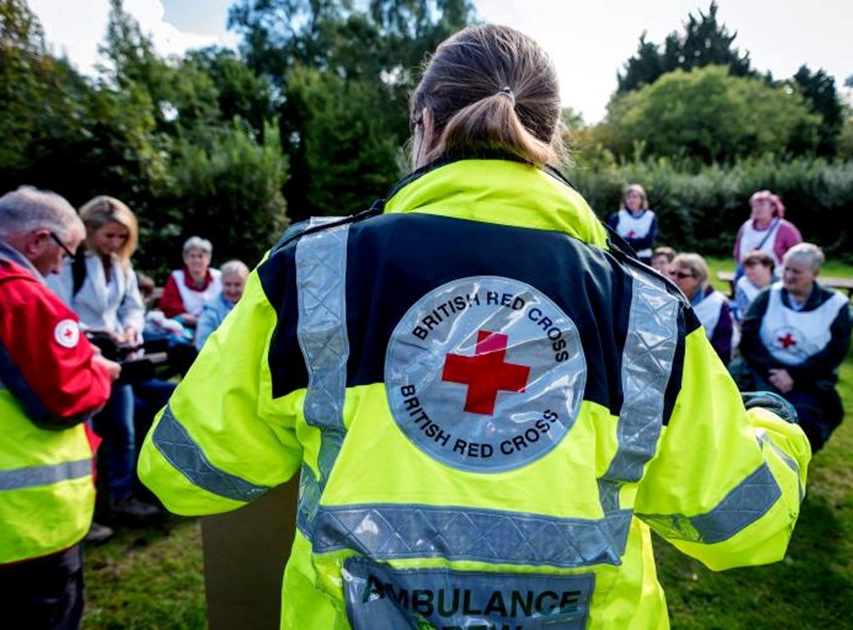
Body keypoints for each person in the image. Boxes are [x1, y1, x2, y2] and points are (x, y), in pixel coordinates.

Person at [139, 25, 810, 628]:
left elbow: (183, 474)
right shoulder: (646, 307)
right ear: (548, 139)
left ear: (424, 126)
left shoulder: (311, 274)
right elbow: (738, 526)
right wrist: (773, 423)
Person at [0, 187, 118, 629]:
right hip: (20, 531)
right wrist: (99, 370)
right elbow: (65, 396)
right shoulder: (12, 295)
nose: (60, 266)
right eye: (66, 253)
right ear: (38, 240)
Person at [47, 196, 163, 523]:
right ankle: (87, 511)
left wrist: (130, 328)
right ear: (88, 231)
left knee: (123, 431)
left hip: (117, 361)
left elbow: (132, 307)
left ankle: (122, 498)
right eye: (108, 236)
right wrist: (97, 331)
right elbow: (57, 310)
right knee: (86, 437)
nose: (115, 243)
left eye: (122, 237)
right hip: (81, 360)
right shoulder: (69, 264)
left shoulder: (122, 266)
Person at [739, 243, 852, 452]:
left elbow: (834, 353)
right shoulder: (768, 296)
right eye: (787, 269)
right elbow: (749, 338)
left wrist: (794, 376)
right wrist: (775, 372)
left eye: (796, 272)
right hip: (762, 371)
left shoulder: (836, 306)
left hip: (809, 379)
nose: (789, 276)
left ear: (814, 273)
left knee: (806, 416)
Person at [669, 253, 737, 365]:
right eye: (672, 273)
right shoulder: (665, 298)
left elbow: (723, 349)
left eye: (681, 275)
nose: (673, 278)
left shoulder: (717, 304)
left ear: (698, 279)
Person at [733, 190, 802, 277]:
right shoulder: (746, 227)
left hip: (775, 276)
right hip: (746, 274)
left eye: (762, 205)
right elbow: (737, 250)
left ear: (773, 208)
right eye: (755, 206)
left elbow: (798, 254)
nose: (758, 209)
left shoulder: (785, 229)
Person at [158, 236, 221, 327]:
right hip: (185, 325)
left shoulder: (219, 277)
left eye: (200, 256)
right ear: (185, 259)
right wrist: (187, 317)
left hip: (215, 324)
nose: (196, 260)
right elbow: (169, 306)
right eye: (192, 256)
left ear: (208, 259)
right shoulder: (176, 277)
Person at [195, 260, 249, 351]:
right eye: (228, 284)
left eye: (238, 285)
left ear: (246, 283)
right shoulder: (211, 309)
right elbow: (202, 343)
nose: (233, 290)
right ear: (221, 283)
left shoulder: (253, 305)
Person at [607, 183, 658, 264]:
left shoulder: (651, 217)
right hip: (622, 258)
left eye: (635, 196)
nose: (631, 200)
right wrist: (638, 242)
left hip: (644, 259)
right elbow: (611, 239)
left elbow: (649, 242)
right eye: (628, 197)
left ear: (642, 199)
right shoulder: (616, 217)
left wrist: (625, 242)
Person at [734, 249, 776, 323]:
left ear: (767, 267)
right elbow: (746, 313)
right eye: (745, 268)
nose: (747, 271)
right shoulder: (742, 284)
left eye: (752, 267)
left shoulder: (780, 285)